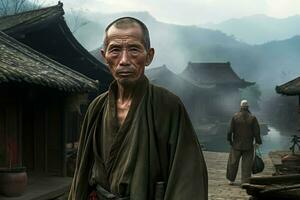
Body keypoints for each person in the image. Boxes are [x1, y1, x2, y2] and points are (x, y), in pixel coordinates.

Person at [68, 17, 208, 200]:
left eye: (134, 49)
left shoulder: (167, 105)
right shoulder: (97, 108)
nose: (124, 60)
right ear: (105, 57)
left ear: (149, 56)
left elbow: (188, 177)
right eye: (115, 50)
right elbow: (82, 172)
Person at [226, 99, 262, 185]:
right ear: (248, 107)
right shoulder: (253, 118)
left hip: (236, 144)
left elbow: (229, 131)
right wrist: (258, 142)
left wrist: (230, 140)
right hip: (248, 145)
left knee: (233, 162)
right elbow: (256, 132)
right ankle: (245, 181)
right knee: (247, 164)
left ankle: (231, 180)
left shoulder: (235, 117)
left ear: (240, 107)